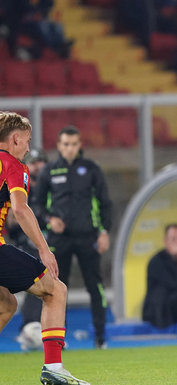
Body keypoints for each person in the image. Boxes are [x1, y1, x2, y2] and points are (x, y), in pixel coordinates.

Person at [0, 112, 90, 385]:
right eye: (26, 141)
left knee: (6, 304)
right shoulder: (13, 165)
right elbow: (21, 208)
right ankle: (53, 366)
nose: (28, 148)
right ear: (15, 139)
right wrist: (44, 249)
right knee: (56, 290)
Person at [32, 126, 112, 349]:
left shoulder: (92, 169)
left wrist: (105, 231)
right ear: (59, 146)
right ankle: (59, 341)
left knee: (95, 286)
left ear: (80, 146)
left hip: (89, 237)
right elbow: (36, 205)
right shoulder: (48, 171)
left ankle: (101, 337)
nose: (69, 148)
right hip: (60, 239)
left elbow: (105, 203)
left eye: (74, 144)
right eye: (65, 144)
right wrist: (49, 220)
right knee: (56, 288)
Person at [5, 148, 47, 336]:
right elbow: (14, 219)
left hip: (52, 242)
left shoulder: (52, 187)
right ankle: (31, 327)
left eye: (41, 162)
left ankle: (47, 331)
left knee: (53, 286)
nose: (37, 166)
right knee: (38, 285)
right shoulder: (17, 183)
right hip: (26, 243)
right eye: (33, 162)